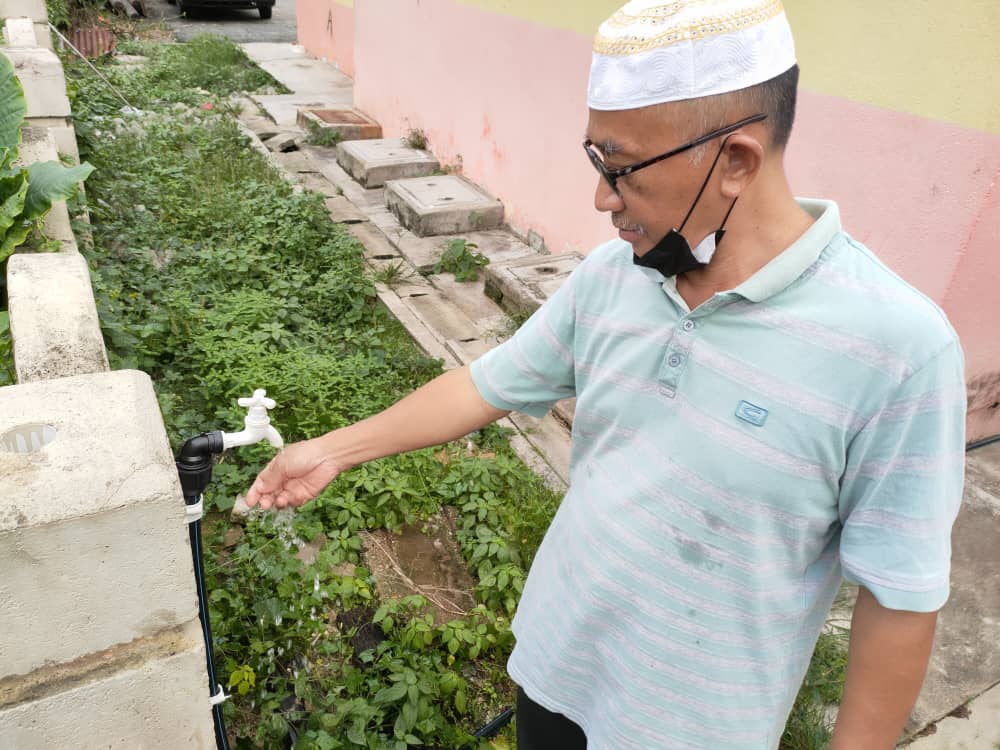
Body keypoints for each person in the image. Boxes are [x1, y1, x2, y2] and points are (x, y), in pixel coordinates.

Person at [246, 1, 967, 747]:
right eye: (597, 161)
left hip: (691, 729)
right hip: (557, 667)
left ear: (736, 162)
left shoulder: (897, 349)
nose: (601, 199)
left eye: (620, 170)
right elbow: (485, 385)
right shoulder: (612, 278)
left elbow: (900, 597)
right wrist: (330, 449)